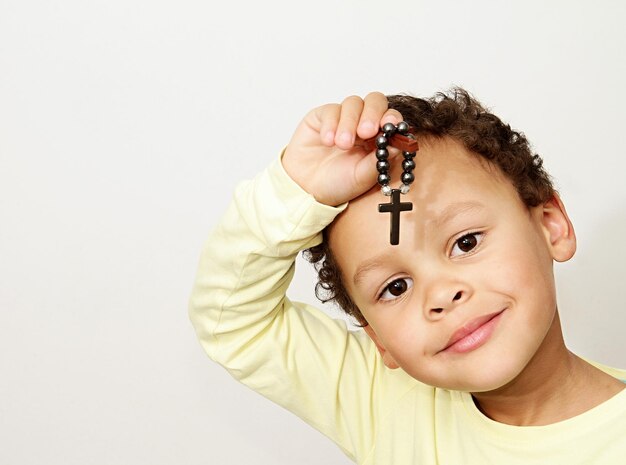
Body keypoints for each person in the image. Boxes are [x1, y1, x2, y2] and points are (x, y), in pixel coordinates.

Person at [189, 89, 626, 464]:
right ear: (380, 339)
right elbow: (232, 322)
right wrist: (297, 189)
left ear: (550, 225)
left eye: (467, 242)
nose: (441, 294)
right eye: (395, 288)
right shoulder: (382, 401)